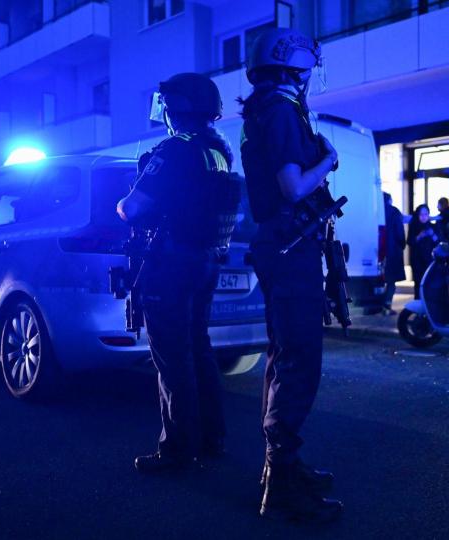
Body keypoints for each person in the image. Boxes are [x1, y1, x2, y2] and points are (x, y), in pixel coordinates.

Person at [239, 27, 343, 523]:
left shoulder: (268, 107)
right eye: (308, 68)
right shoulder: (280, 111)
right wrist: (329, 159)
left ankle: (282, 467)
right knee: (299, 360)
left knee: (286, 358)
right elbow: (294, 185)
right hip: (289, 247)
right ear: (295, 66)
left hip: (283, 246)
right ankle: (281, 484)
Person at [116, 73, 239, 473]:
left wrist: (126, 197)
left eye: (166, 107)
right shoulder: (218, 150)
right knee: (198, 350)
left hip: (170, 264)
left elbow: (132, 208)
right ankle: (211, 438)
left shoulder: (173, 150)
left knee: (171, 357)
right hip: (204, 261)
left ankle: (177, 451)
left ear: (175, 109)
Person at [408, 204, 440, 300]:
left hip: (429, 260)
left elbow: (438, 242)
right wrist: (419, 236)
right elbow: (410, 242)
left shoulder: (432, 226)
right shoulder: (414, 226)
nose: (424, 217)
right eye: (421, 214)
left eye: (426, 214)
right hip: (417, 259)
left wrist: (432, 234)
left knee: (429, 282)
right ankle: (418, 303)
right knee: (418, 283)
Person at [382, 192, 406, 315]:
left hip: (380, 251)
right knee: (391, 282)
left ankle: (381, 305)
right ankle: (386, 305)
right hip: (393, 251)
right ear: (390, 200)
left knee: (382, 280)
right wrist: (403, 244)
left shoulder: (378, 210)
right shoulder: (394, 212)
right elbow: (400, 232)